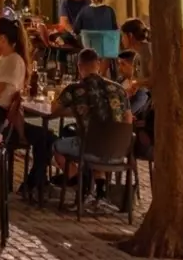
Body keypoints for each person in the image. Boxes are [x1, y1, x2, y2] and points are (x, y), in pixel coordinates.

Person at [25, 49, 129, 194]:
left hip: (91, 147)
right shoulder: (119, 89)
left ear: (79, 66)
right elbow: (128, 118)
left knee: (56, 146)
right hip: (118, 149)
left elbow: (53, 110)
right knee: (99, 142)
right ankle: (100, 189)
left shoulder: (75, 89)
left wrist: (73, 108)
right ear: (98, 64)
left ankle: (78, 180)